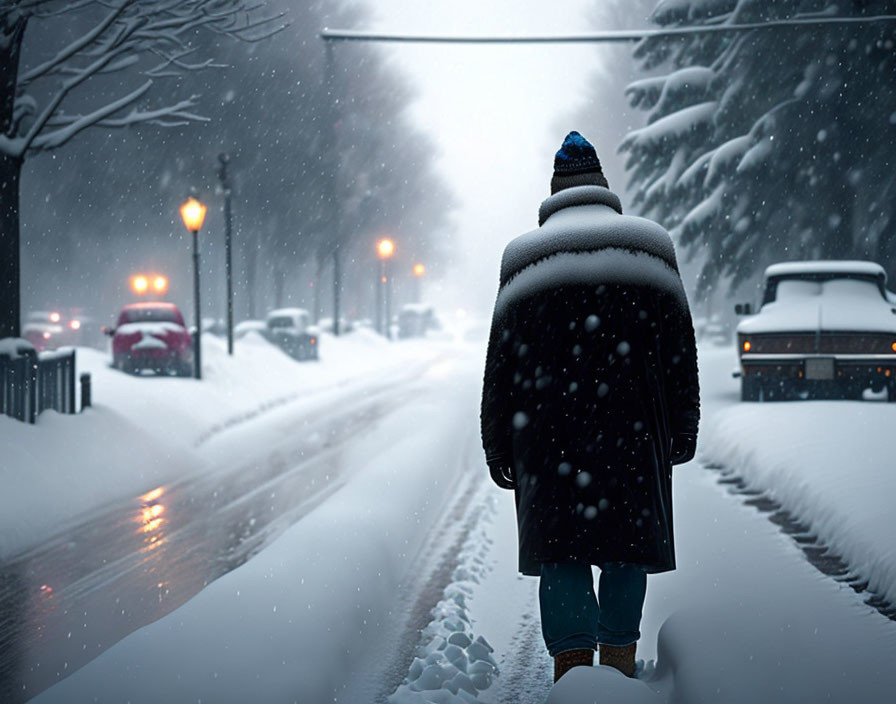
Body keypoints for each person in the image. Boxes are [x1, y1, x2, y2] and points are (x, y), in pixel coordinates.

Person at [480, 131, 700, 682]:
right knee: (627, 548)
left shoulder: (525, 258)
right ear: (603, 187)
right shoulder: (651, 247)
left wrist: (498, 444)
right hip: (633, 434)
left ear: (554, 193)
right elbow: (680, 352)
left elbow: (499, 368)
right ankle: (620, 664)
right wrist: (683, 428)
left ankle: (573, 675)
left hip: (548, 440)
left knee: (562, 555)